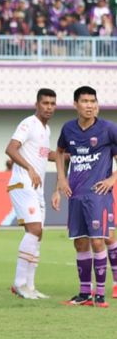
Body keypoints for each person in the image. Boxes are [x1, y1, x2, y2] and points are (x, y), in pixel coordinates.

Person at [52, 86, 117, 308]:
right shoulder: (68, 129)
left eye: (93, 101)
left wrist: (112, 179)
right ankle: (84, 294)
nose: (89, 105)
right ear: (75, 105)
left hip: (99, 195)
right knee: (80, 243)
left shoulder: (108, 129)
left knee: (98, 241)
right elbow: (59, 152)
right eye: (85, 101)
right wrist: (61, 178)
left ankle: (100, 295)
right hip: (76, 195)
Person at [6, 89, 57, 300]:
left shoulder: (47, 130)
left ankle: (30, 286)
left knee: (38, 235)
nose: (49, 107)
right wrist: (30, 169)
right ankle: (19, 284)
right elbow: (11, 148)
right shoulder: (28, 123)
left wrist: (70, 154)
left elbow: (46, 155)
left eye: (52, 103)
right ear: (37, 104)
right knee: (34, 230)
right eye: (45, 103)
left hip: (37, 189)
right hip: (22, 184)